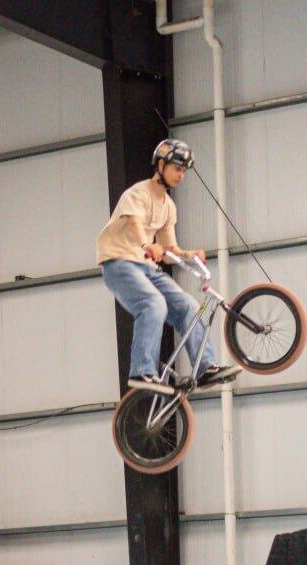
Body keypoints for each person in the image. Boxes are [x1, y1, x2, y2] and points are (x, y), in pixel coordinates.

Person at [96, 138, 241, 393]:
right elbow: (135, 225)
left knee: (188, 306)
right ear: (161, 165)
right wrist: (146, 245)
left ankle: (205, 369)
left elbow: (168, 251)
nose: (181, 175)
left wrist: (189, 254)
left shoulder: (169, 207)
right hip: (119, 263)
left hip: (146, 266)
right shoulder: (137, 194)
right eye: (177, 168)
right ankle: (142, 372)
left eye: (184, 170)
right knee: (153, 304)